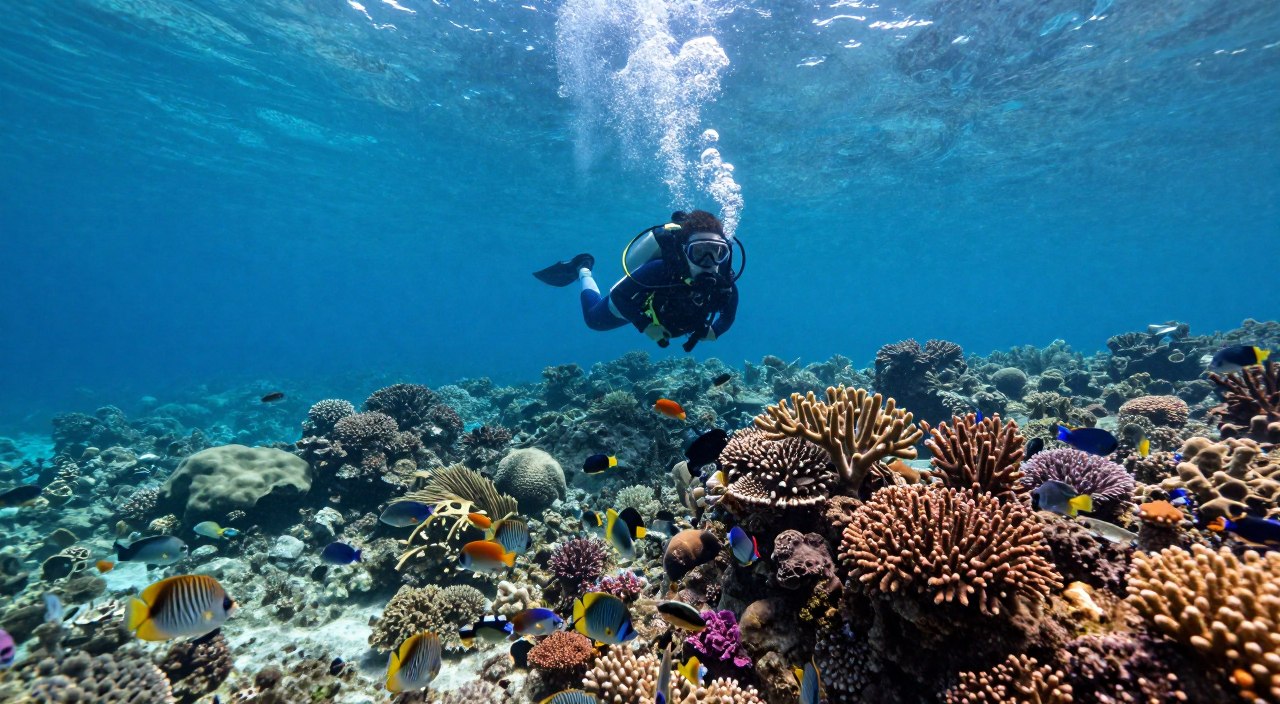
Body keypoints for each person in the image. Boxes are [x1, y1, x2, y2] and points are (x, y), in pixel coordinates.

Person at [534, 210, 741, 352]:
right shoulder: (660, 269)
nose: (708, 261)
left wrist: (715, 331)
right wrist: (644, 324)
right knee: (593, 320)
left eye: (717, 252)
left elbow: (728, 316)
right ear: (685, 252)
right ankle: (583, 267)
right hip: (636, 302)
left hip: (662, 315)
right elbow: (619, 295)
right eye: (699, 252)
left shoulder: (724, 283)